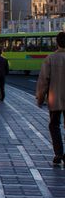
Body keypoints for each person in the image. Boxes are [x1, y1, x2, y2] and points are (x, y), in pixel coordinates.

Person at [36, 31, 65, 165]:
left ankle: (58, 153)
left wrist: (40, 98)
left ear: (57, 43)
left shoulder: (50, 58)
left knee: (54, 125)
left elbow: (43, 81)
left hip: (56, 99)